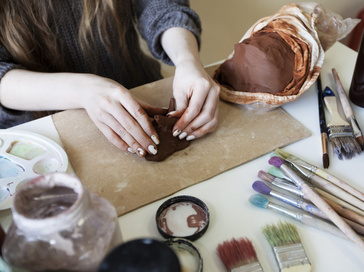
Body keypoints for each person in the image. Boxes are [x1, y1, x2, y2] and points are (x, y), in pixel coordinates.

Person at [0, 0, 219, 157]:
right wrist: (83, 90)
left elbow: (162, 6)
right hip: (38, 136)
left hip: (140, 89)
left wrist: (187, 60)